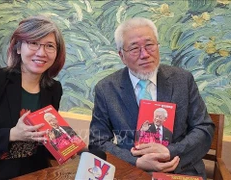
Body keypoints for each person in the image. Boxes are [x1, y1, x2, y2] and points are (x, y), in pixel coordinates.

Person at [89, 17, 215, 179]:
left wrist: (170, 152)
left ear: (157, 46)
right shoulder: (106, 89)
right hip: (131, 172)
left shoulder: (183, 80)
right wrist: (136, 162)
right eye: (134, 48)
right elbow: (97, 141)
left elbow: (204, 128)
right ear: (122, 55)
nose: (145, 54)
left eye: (149, 45)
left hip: (180, 169)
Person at [0, 16, 66, 179]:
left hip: (33, 170)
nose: (41, 52)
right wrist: (12, 134)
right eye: (33, 43)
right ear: (18, 48)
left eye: (49, 46)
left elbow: (45, 138)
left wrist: (68, 144)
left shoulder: (53, 88)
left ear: (57, 52)